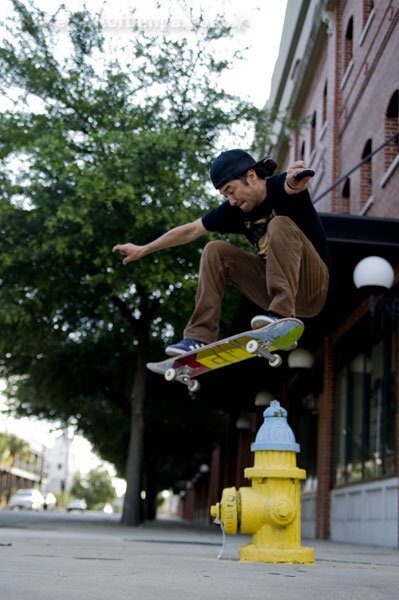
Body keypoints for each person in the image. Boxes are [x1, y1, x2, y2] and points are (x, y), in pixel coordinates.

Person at [113, 149, 332, 356]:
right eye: (225, 196)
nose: (232, 201)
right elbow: (191, 230)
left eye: (231, 191)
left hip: (313, 286)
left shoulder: (278, 189)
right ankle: (199, 337)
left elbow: (291, 186)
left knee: (279, 224)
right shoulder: (234, 211)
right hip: (274, 288)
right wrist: (144, 249)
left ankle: (282, 319)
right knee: (214, 249)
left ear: (252, 176)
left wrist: (294, 183)